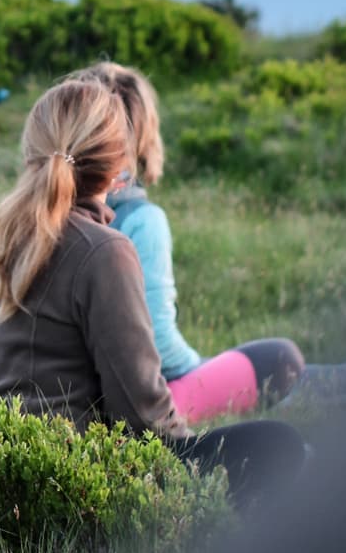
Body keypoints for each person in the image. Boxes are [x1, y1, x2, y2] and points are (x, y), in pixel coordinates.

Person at [0, 76, 305, 509]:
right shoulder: (103, 250)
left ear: (31, 150)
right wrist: (193, 456)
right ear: (118, 163)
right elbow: (144, 419)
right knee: (281, 445)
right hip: (66, 482)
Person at [80, 61, 305, 422]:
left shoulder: (26, 218)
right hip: (126, 410)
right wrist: (201, 366)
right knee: (280, 360)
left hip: (51, 405)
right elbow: (158, 348)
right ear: (142, 138)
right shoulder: (142, 222)